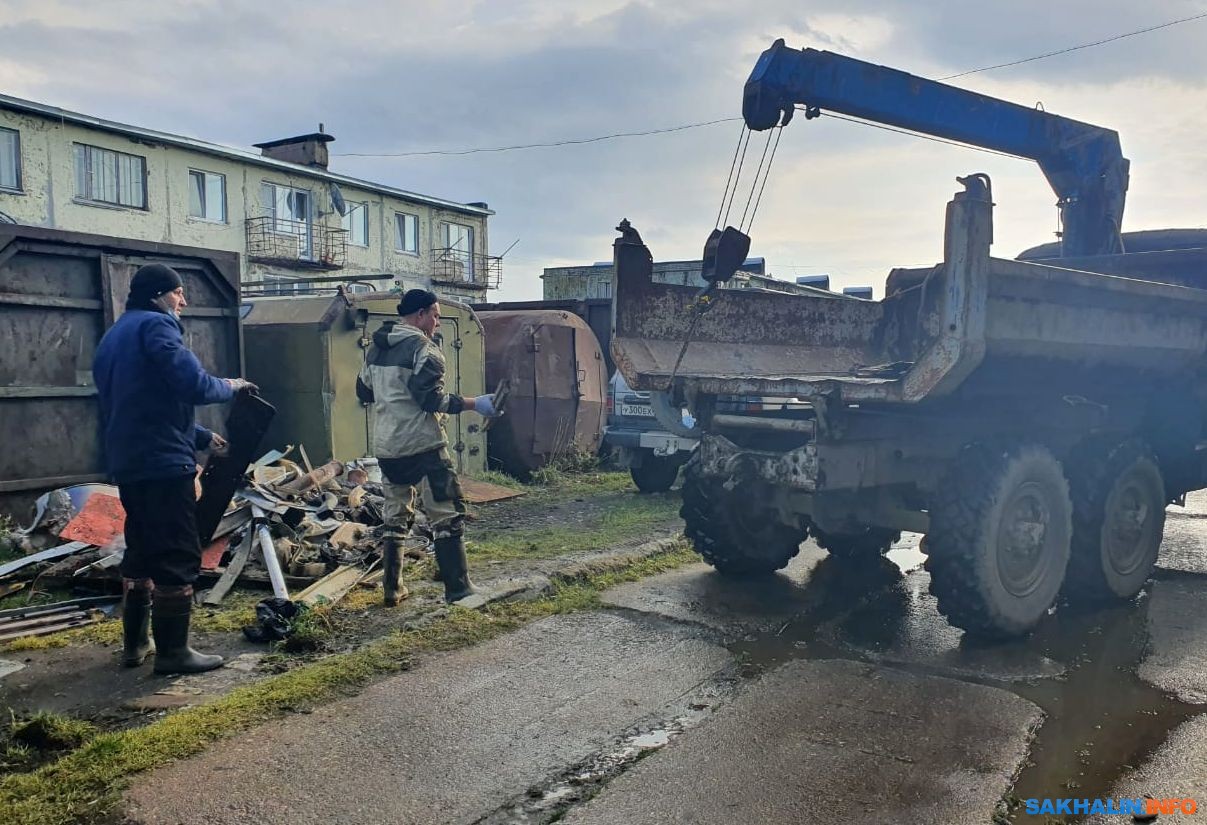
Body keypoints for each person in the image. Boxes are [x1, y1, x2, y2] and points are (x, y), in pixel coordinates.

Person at [93, 263, 255, 674]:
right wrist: (232, 386)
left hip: (132, 461)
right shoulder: (158, 327)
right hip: (164, 464)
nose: (183, 301)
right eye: (178, 292)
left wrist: (200, 436)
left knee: (143, 548)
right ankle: (173, 653)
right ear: (158, 295)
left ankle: (135, 645)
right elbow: (194, 385)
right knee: (178, 553)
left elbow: (144, 402)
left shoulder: (115, 335)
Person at [356, 288, 497, 606]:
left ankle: (393, 588)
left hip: (387, 446)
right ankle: (459, 589)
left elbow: (363, 392)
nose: (438, 323)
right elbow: (431, 400)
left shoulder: (376, 349)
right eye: (435, 315)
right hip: (423, 445)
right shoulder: (425, 350)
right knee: (447, 511)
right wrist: (476, 403)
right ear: (419, 315)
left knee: (395, 515)